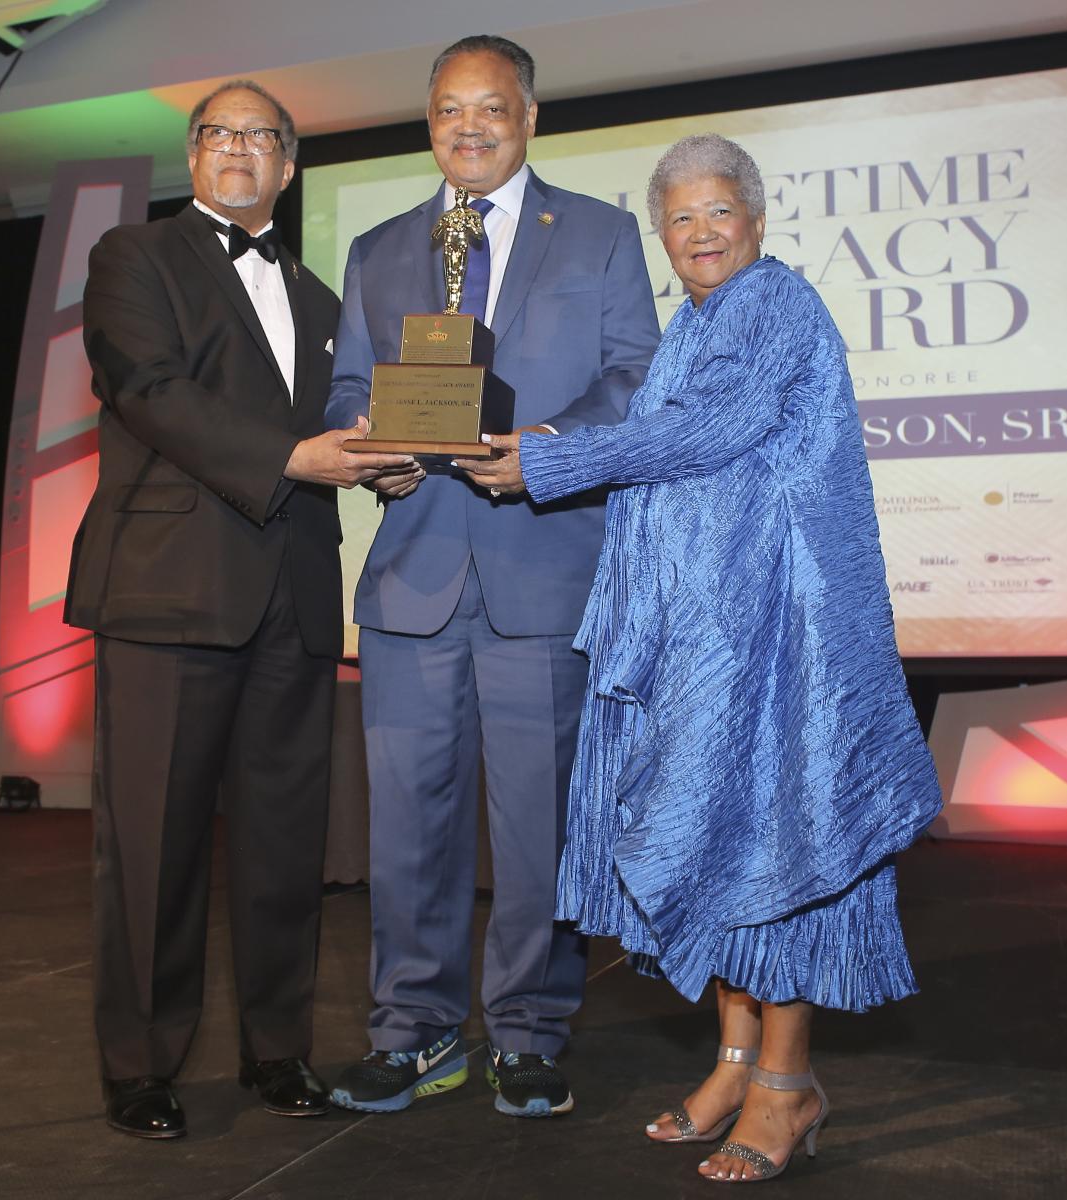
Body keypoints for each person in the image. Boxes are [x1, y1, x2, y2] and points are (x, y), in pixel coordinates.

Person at [464, 133, 942, 1179]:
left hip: (780, 634)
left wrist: (548, 460)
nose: (699, 231)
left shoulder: (775, 302)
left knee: (778, 846)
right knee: (721, 839)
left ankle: (786, 1082)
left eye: (717, 210)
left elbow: (716, 429)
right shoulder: (691, 323)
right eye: (677, 218)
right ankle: (732, 1063)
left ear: (755, 221)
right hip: (707, 635)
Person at [66, 79, 415, 1139]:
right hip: (168, 590)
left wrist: (389, 460)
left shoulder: (320, 298)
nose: (238, 148)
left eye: (261, 136)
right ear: (192, 153)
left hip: (293, 596)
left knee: (283, 846)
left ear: (288, 166)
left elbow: (342, 427)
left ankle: (278, 1050)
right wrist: (295, 458)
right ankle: (139, 1065)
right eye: (218, 132)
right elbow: (146, 389)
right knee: (153, 846)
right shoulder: (133, 257)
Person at [325, 35, 659, 1117]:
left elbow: (635, 378)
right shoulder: (377, 248)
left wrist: (546, 451)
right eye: (448, 109)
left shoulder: (600, 234)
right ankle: (413, 1030)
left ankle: (525, 1031)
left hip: (543, 570)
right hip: (411, 579)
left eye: (490, 108)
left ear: (528, 117)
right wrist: (367, 443)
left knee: (536, 829)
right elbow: (345, 391)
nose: (467, 127)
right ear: (428, 121)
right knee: (405, 831)